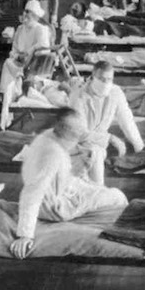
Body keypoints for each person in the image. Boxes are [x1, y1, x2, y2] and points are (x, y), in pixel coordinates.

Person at [9, 108, 129, 259]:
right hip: (56, 207)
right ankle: (117, 231)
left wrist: (110, 138)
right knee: (118, 196)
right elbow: (32, 193)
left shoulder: (48, 136)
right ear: (67, 132)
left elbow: (83, 133)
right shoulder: (52, 154)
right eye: (76, 135)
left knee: (96, 184)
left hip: (62, 189)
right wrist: (25, 235)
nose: (79, 137)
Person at [67, 61, 144, 184]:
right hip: (77, 143)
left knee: (97, 152)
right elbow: (79, 133)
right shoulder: (78, 96)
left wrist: (139, 146)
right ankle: (98, 191)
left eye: (109, 79)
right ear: (93, 77)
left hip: (98, 143)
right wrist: (110, 138)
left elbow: (127, 120)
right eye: (102, 79)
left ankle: (97, 192)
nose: (106, 83)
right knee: (94, 154)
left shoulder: (115, 92)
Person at [0, 0, 52, 106]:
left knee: (11, 66)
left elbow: (45, 47)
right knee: (8, 62)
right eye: (25, 12)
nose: (26, 16)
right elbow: (14, 48)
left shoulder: (41, 29)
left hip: (34, 63)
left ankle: (15, 95)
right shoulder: (20, 29)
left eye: (29, 13)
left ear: (36, 16)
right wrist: (17, 56)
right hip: (19, 61)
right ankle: (7, 97)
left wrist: (28, 53)